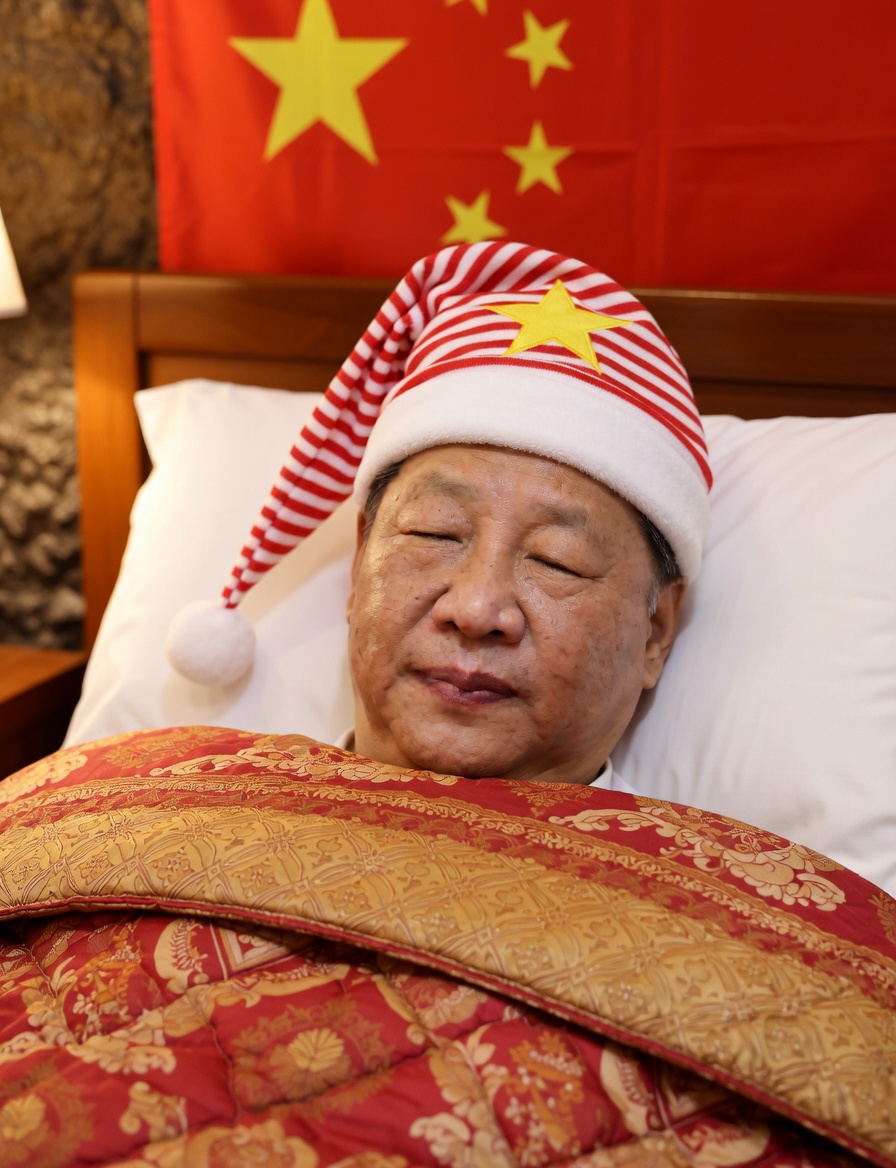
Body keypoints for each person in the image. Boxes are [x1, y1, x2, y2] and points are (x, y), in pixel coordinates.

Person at [167, 240, 711, 788]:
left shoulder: (712, 849)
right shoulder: (177, 820)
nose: (475, 610)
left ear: (655, 632)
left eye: (556, 560)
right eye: (436, 532)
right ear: (360, 564)